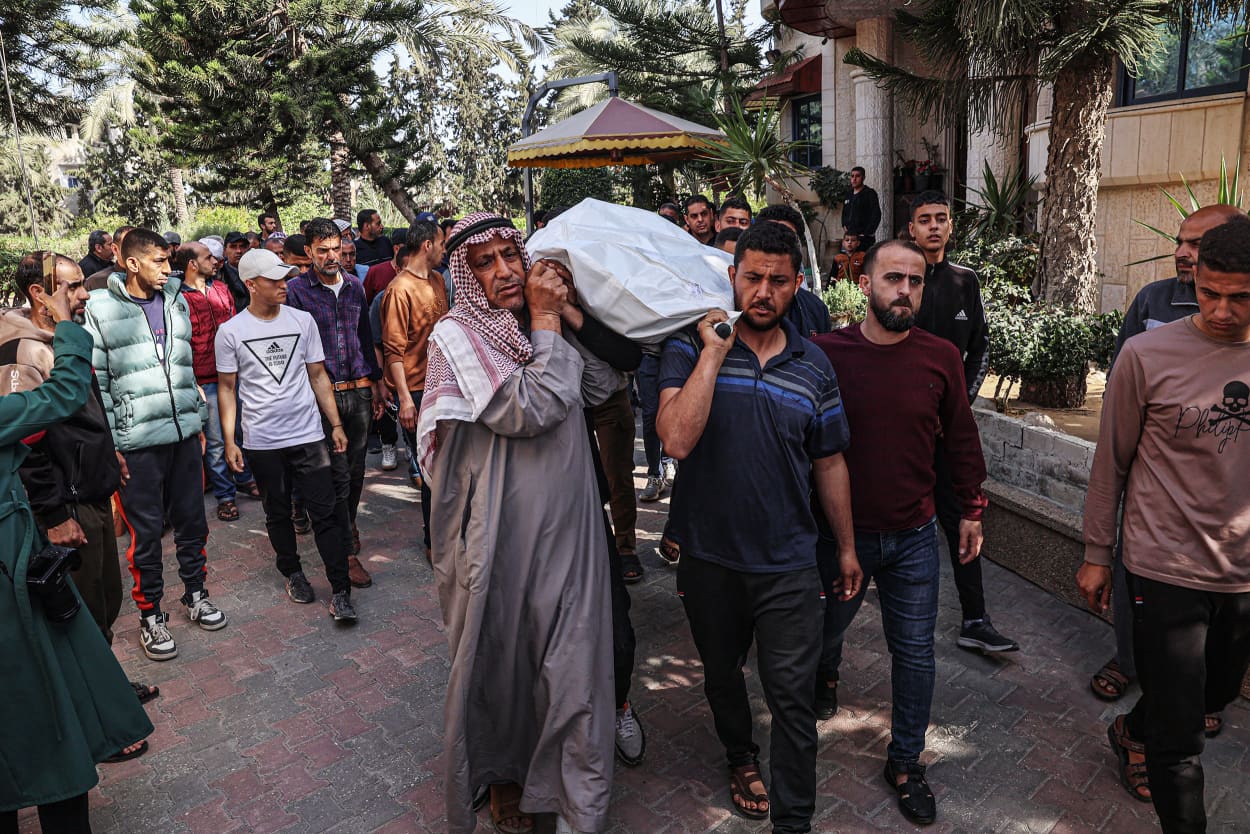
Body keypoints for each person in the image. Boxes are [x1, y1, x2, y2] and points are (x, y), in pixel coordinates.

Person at [416, 213, 620, 834]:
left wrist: (566, 314)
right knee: (501, 659)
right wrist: (549, 322)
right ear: (464, 275)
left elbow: (601, 382)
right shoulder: (457, 335)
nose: (505, 271)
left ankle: (570, 800)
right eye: (486, 261)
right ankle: (506, 778)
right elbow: (527, 408)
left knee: (574, 661)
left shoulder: (534, 326)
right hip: (497, 532)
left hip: (572, 525)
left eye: (513, 255)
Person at [657, 221, 857, 833]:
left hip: (790, 563)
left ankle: (794, 822)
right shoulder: (689, 348)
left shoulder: (814, 364)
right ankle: (741, 757)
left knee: (793, 699)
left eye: (777, 280)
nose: (763, 292)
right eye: (752, 278)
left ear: (797, 284)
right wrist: (715, 353)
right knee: (721, 676)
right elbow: (676, 439)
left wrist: (846, 547)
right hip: (710, 556)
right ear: (732, 276)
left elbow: (829, 460)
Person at [1078, 217, 1250, 833]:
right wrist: (1098, 551)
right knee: (1181, 745)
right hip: (1162, 562)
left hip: (1241, 571)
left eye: (1241, 296)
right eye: (1210, 293)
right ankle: (1156, 746)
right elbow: (1112, 458)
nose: (1222, 310)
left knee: (1214, 696)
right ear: (1194, 280)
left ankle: (1132, 727)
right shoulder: (1148, 354)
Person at [813, 239, 988, 826]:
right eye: (893, 279)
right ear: (865, 285)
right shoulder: (824, 353)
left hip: (914, 535)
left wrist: (971, 508)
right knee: (822, 634)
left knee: (914, 653)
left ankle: (907, 761)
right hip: (842, 537)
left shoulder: (940, 357)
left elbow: (961, 438)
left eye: (915, 281)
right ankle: (826, 671)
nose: (905, 291)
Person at [0, 277, 154, 834]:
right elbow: (58, 399)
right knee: (44, 699)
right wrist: (68, 330)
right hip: (15, 573)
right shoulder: (21, 355)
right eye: (67, 288)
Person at [10, 252, 159, 708]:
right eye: (72, 286)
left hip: (91, 491)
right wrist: (54, 514)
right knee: (83, 611)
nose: (84, 294)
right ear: (39, 293)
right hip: (66, 505)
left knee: (106, 601)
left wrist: (106, 452)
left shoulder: (62, 338)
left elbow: (81, 410)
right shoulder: (25, 350)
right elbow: (24, 443)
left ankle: (106, 687)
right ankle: (99, 714)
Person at [83, 228, 227, 662]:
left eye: (171, 261)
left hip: (184, 435)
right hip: (136, 444)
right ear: (131, 263)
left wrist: (198, 422)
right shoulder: (101, 309)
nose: (169, 270)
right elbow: (99, 382)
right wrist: (113, 444)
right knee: (146, 535)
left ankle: (196, 593)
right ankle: (151, 615)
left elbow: (184, 370)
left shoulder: (176, 300)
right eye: (160, 262)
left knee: (193, 523)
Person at [215, 249, 358, 621]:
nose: (284, 285)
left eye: (285, 278)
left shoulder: (302, 320)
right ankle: (292, 572)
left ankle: (340, 590)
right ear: (251, 285)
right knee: (277, 512)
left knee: (326, 513)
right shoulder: (231, 332)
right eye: (274, 280)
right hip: (263, 441)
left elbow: (317, 375)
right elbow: (227, 388)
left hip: (309, 435)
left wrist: (336, 425)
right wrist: (230, 440)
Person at [907, 191, 1017, 653]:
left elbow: (981, 349)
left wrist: (958, 406)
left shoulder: (965, 282)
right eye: (924, 220)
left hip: (947, 432)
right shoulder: (903, 278)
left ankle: (975, 620)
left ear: (951, 227)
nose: (933, 226)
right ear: (910, 229)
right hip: (903, 432)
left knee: (961, 523)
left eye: (941, 219)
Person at [285, 218, 381, 584]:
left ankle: (347, 525)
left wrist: (376, 381)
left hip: (357, 391)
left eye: (335, 249)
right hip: (321, 396)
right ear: (308, 252)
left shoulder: (355, 286)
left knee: (357, 473)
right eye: (322, 250)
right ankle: (346, 549)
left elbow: (363, 335)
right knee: (338, 475)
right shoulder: (296, 291)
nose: (330, 256)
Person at [380, 220, 447, 559]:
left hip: (444, 383)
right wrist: (405, 399)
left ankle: (450, 534)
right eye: (441, 243)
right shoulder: (398, 290)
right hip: (417, 390)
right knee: (430, 468)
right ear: (426, 246)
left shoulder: (437, 280)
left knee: (449, 464)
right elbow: (393, 350)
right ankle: (432, 541)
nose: (444, 249)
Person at [176, 241, 250, 523]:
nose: (215, 260)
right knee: (218, 441)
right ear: (192, 264)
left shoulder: (221, 289)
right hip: (205, 380)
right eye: (208, 257)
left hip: (234, 375)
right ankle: (225, 495)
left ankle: (246, 477)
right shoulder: (179, 298)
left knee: (242, 432)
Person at [757, 204, 833, 338]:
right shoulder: (732, 307)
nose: (778, 246)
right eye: (770, 236)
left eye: (787, 238)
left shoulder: (816, 309)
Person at [85, 225, 134, 291]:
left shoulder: (149, 275)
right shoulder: (95, 281)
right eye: (109, 244)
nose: (137, 250)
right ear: (115, 249)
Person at [842, 166, 881, 248]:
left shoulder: (870, 193)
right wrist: (844, 225)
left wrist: (867, 233)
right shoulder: (848, 194)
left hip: (864, 239)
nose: (854, 179)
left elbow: (876, 214)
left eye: (857, 176)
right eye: (852, 176)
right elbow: (844, 212)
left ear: (863, 178)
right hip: (850, 238)